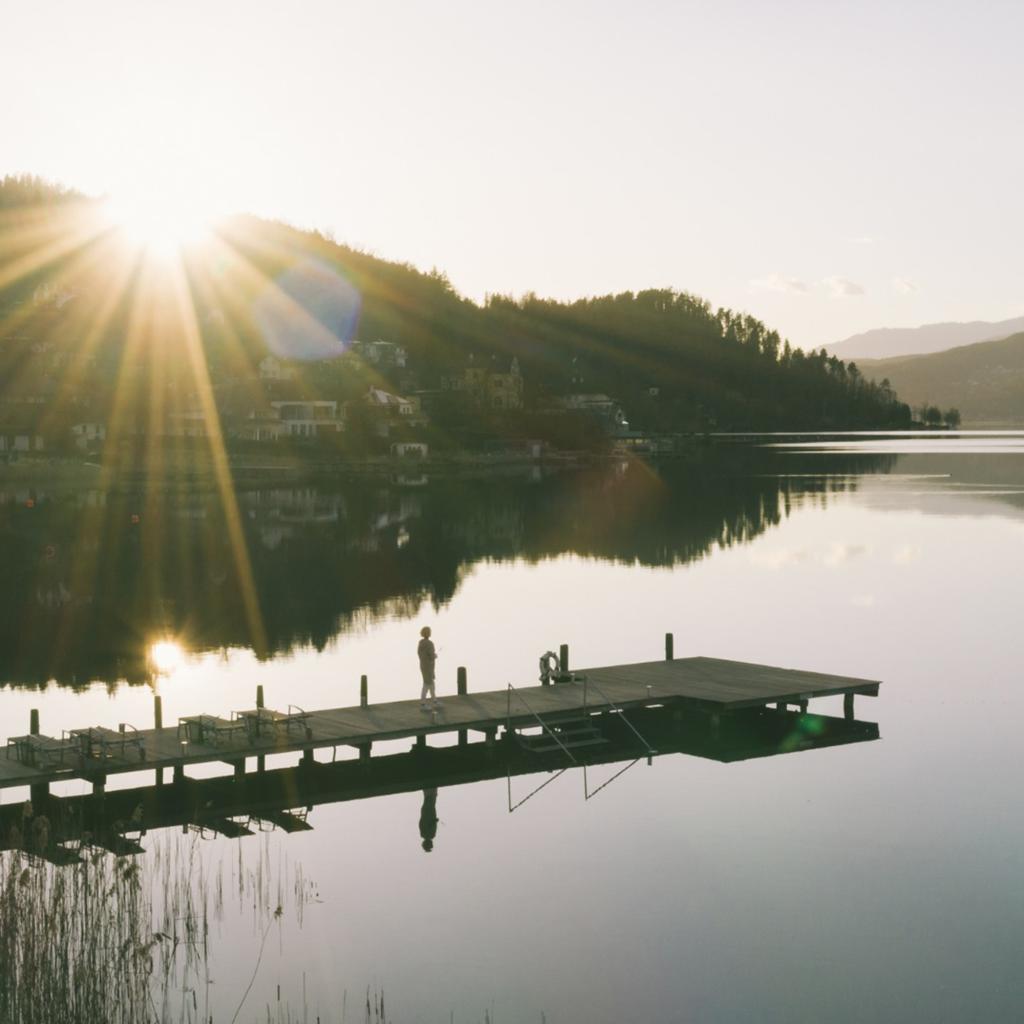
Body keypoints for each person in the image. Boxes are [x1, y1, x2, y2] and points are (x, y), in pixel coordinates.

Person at [417, 626, 438, 710]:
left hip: (423, 665)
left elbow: (420, 654)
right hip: (428, 667)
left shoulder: (420, 643)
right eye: (429, 631)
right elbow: (431, 656)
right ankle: (423, 704)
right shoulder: (429, 643)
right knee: (427, 684)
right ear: (428, 633)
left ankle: (434, 701)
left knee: (431, 683)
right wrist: (435, 655)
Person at [419, 787, 438, 852]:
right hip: (428, 811)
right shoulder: (424, 834)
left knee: (430, 797)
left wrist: (434, 821)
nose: (432, 843)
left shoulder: (429, 834)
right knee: (430, 797)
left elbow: (428, 824)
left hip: (428, 812)